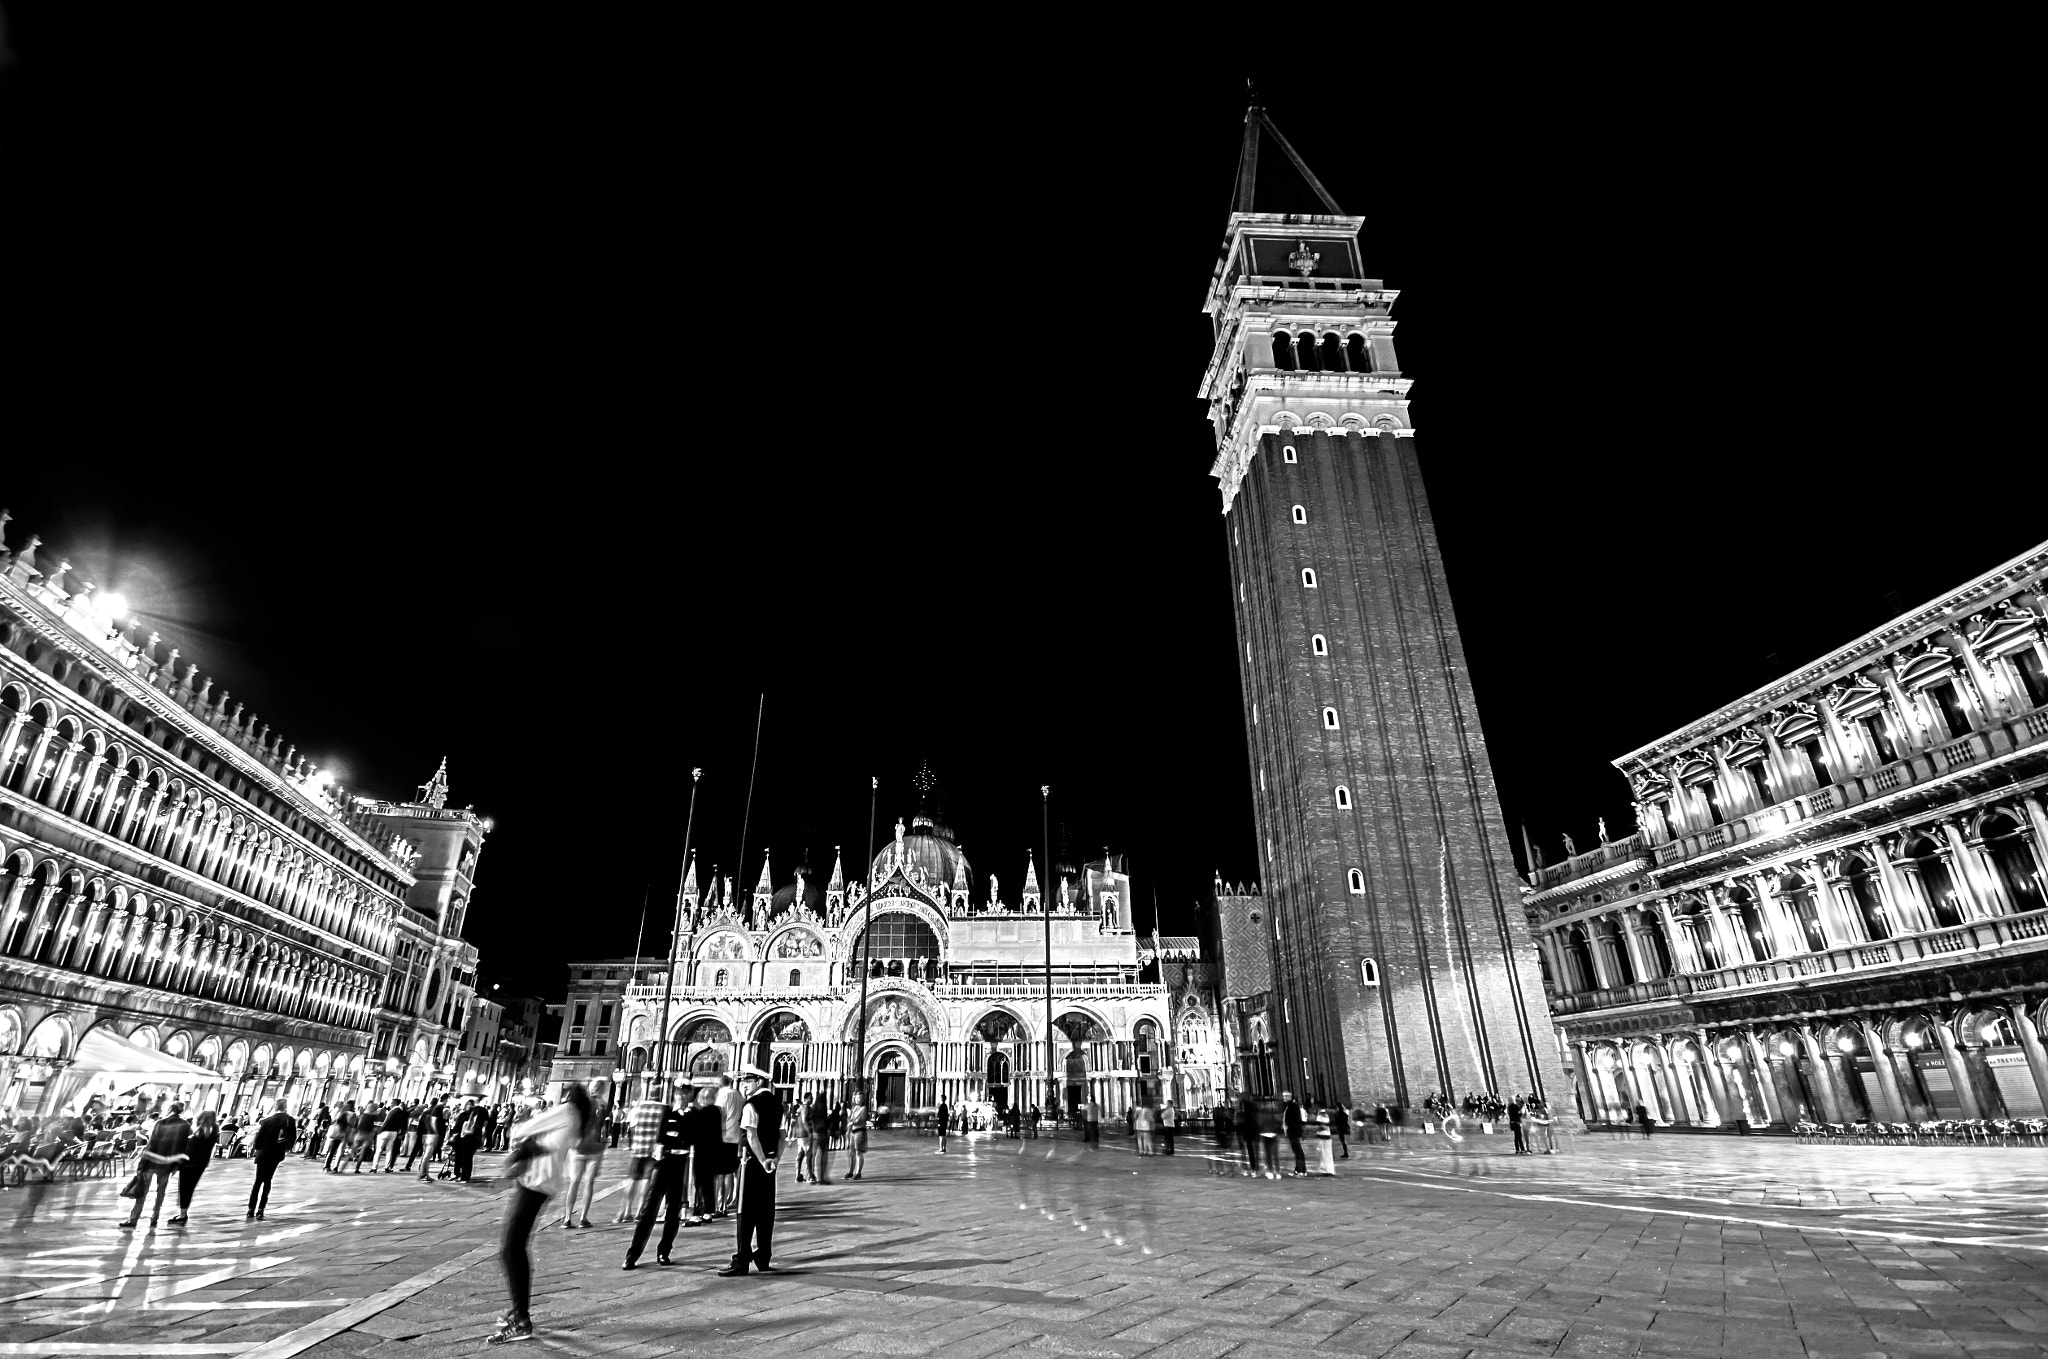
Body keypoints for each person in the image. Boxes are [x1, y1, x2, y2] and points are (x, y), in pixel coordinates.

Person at [487, 1082, 591, 1346]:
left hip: (535, 1183)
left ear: (567, 1095)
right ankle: (518, 1311)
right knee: (514, 1247)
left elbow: (522, 1129)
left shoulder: (566, 1111)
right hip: (543, 1182)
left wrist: (526, 1130)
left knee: (511, 1248)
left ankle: (521, 1319)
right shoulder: (577, 1118)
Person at [720, 1064, 782, 1277]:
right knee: (766, 1210)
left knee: (745, 1211)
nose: (744, 1086)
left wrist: (762, 1159)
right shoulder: (777, 1103)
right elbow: (782, 1136)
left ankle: (741, 1260)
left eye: (748, 1082)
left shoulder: (751, 1105)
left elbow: (752, 1136)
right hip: (770, 1164)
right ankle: (764, 1256)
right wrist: (774, 1159)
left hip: (752, 1163)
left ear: (759, 1082)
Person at [623, 1098, 689, 1268]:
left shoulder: (690, 1115)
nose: (682, 1098)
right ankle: (632, 1255)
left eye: (685, 1094)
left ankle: (664, 1252)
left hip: (680, 1163)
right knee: (649, 1209)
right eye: (679, 1094)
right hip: (663, 1162)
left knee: (673, 1211)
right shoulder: (667, 1112)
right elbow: (662, 1136)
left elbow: (691, 1136)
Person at [120, 1102, 191, 1230]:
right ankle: (154, 1219)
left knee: (142, 1191)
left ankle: (133, 1219)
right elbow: (183, 1146)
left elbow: (152, 1143)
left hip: (152, 1161)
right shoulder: (185, 1125)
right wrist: (177, 1165)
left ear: (170, 1109)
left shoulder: (161, 1123)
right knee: (160, 1193)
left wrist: (142, 1163)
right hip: (168, 1164)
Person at [617, 1092, 666, 1222]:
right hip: (653, 1150)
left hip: (638, 1148)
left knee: (632, 1179)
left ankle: (627, 1211)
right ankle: (639, 1212)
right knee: (646, 1180)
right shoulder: (663, 1108)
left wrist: (634, 1144)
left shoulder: (638, 1107)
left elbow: (631, 1128)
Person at [560, 1096, 608, 1228]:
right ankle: (583, 1218)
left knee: (574, 1182)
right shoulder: (599, 1110)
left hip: (578, 1149)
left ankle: (567, 1218)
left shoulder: (576, 1113)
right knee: (588, 1182)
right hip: (593, 1149)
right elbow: (601, 1125)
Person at [246, 1099, 295, 1220]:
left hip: (264, 1153)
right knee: (268, 1180)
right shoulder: (290, 1120)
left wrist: (258, 1149)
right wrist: (285, 1147)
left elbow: (259, 1139)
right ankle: (261, 1209)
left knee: (257, 1181)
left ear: (275, 1107)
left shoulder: (266, 1121)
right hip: (277, 1153)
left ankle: (250, 1209)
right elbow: (292, 1138)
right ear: (285, 1107)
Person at [715, 1074, 741, 1215]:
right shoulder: (739, 1095)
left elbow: (719, 1115)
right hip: (737, 1138)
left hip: (724, 1137)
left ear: (719, 1085)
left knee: (723, 1173)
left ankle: (721, 1205)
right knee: (735, 1172)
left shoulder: (722, 1095)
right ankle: (735, 1199)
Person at [451, 1098, 489, 1183]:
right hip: (464, 1137)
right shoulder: (468, 1113)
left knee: (466, 1157)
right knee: (462, 1156)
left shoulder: (476, 1113)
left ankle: (463, 1176)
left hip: (468, 1137)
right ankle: (460, 1175)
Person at [407, 1102, 447, 1178]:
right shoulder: (436, 1116)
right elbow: (435, 1124)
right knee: (427, 1155)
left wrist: (420, 1134)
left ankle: (421, 1171)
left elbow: (421, 1124)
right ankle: (422, 1174)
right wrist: (437, 1133)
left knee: (423, 1154)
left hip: (424, 1135)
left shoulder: (426, 1113)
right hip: (431, 1136)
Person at [376, 1101, 409, 1172]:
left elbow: (387, 1122)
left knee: (380, 1150)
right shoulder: (405, 1113)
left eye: (391, 1103)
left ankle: (375, 1167)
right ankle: (389, 1166)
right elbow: (405, 1125)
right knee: (392, 1150)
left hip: (390, 1132)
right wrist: (402, 1133)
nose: (390, 1105)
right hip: (396, 1133)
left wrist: (380, 1131)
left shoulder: (393, 1111)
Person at [845, 1092, 869, 1181]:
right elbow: (850, 1118)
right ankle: (851, 1171)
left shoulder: (864, 1108)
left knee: (859, 1152)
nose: (858, 1099)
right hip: (852, 1131)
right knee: (852, 1153)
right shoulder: (854, 1108)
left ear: (863, 1099)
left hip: (860, 1131)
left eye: (860, 1098)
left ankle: (858, 1172)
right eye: (857, 1098)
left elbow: (860, 1120)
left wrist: (852, 1122)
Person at [809, 1092, 832, 1184]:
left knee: (813, 1156)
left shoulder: (814, 1109)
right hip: (822, 1134)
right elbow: (826, 1122)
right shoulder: (823, 1109)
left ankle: (812, 1176)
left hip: (814, 1134)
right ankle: (821, 1177)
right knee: (822, 1157)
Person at [1282, 1093, 1307, 1176]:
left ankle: (1301, 1170)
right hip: (1292, 1131)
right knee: (1297, 1150)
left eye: (1286, 1096)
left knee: (1297, 1150)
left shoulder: (1293, 1106)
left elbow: (1293, 1119)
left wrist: (1289, 1127)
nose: (1284, 1097)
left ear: (1290, 1097)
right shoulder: (1290, 1106)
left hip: (1293, 1131)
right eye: (1284, 1096)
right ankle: (1298, 1169)